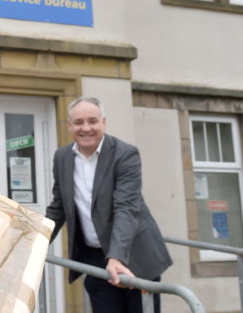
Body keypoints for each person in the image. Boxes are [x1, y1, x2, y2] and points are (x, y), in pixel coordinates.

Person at [45, 96, 172, 313]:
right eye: (78, 122)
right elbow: (58, 207)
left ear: (104, 122)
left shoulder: (125, 154)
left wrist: (116, 258)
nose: (86, 128)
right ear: (69, 126)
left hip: (133, 253)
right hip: (94, 257)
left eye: (93, 121)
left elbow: (126, 207)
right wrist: (32, 243)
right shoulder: (62, 157)